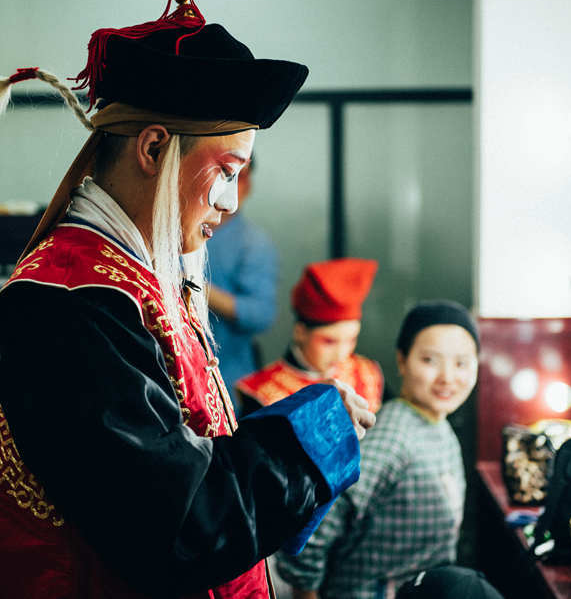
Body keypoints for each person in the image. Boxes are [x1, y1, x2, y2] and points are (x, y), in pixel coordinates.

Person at [0, 0, 375, 599]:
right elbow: (178, 526)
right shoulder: (69, 301)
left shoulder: (133, 277)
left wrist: (297, 426)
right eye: (226, 171)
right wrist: (308, 444)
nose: (229, 202)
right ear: (153, 148)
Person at [276, 300, 480, 599]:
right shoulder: (393, 438)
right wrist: (304, 590)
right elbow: (317, 524)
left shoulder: (439, 425)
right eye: (429, 360)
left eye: (461, 363)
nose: (447, 377)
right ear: (402, 360)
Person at [236, 258, 384, 415]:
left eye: (351, 340)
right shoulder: (262, 393)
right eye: (329, 341)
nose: (341, 354)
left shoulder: (367, 373)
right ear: (300, 332)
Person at [206, 156, 280, 407]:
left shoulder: (253, 244)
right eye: (225, 175)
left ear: (248, 185)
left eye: (240, 177)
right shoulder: (176, 231)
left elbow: (261, 314)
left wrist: (198, 289)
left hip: (226, 380)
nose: (230, 186)